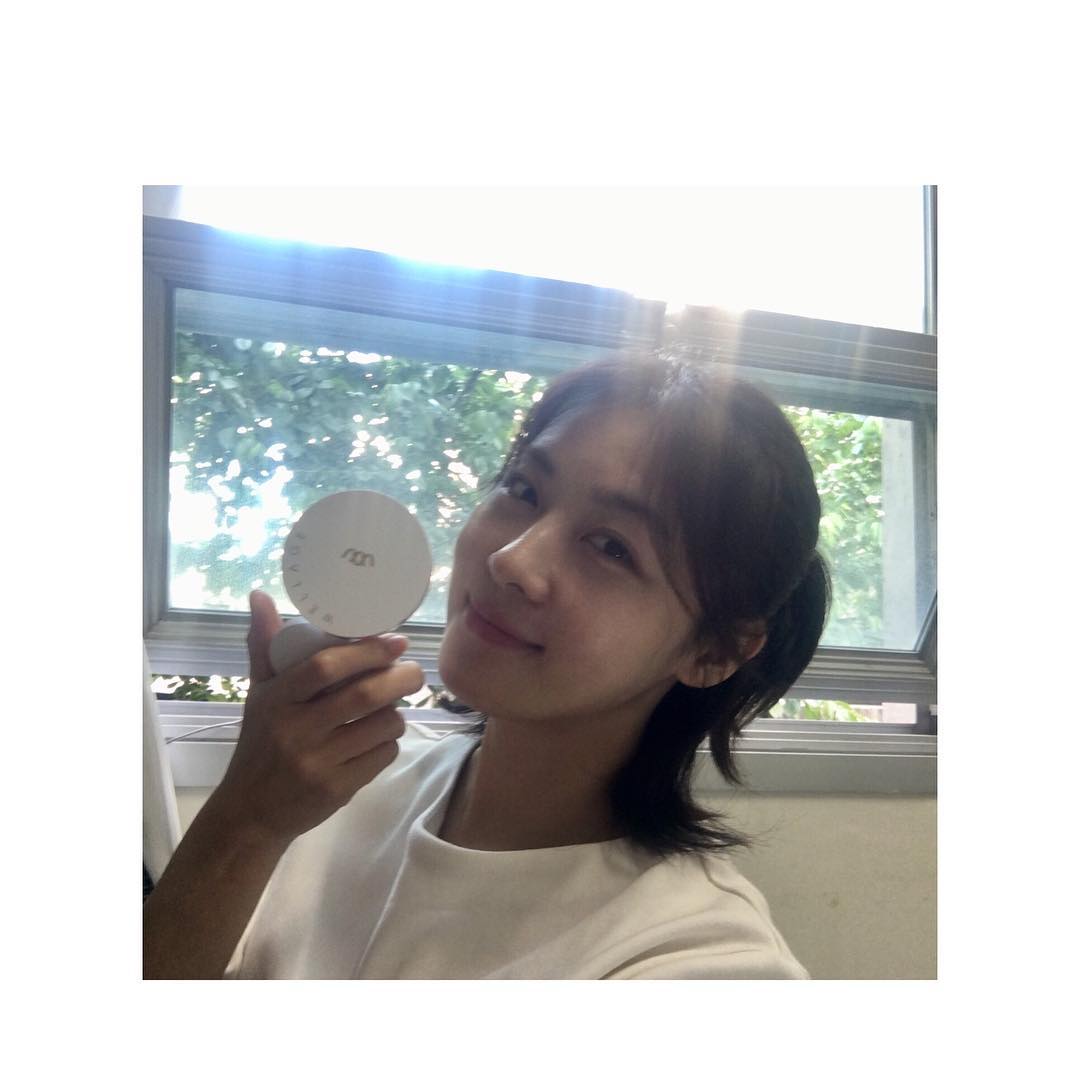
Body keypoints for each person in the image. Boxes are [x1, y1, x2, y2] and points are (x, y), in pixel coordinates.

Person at [143, 350, 830, 979]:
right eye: (524, 490)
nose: (511, 559)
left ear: (712, 651)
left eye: (611, 547)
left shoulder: (700, 961)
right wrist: (247, 820)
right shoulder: (332, 786)